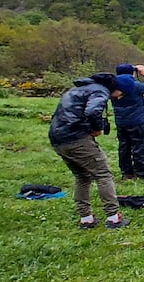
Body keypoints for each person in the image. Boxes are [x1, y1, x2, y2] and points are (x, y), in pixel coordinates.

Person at [49, 72, 129, 229]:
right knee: (103, 174)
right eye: (122, 93)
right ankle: (113, 217)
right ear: (116, 88)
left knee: (82, 176)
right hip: (76, 138)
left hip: (58, 138)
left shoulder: (78, 90)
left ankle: (86, 218)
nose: (119, 97)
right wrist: (97, 128)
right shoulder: (100, 91)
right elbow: (92, 111)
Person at [111, 63, 144, 180]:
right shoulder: (135, 85)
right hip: (138, 121)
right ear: (132, 72)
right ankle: (142, 173)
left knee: (124, 147)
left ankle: (127, 173)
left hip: (121, 122)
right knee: (140, 147)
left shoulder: (112, 87)